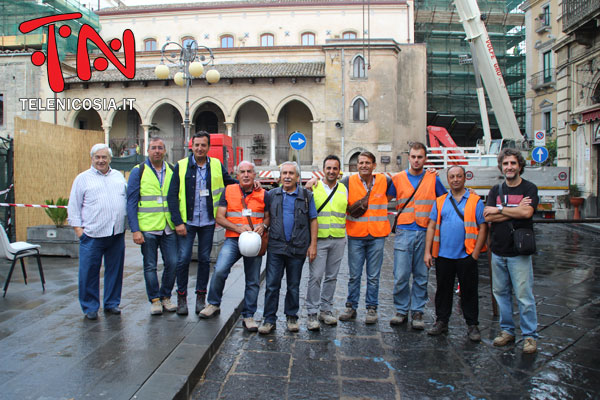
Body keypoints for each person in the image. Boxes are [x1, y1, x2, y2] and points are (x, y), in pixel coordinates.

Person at [167, 131, 237, 315]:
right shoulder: (181, 166)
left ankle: (200, 298)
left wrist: (248, 184)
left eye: (203, 145)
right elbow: (171, 196)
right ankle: (181, 297)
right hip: (187, 222)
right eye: (196, 145)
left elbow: (229, 182)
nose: (199, 148)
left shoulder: (215, 164)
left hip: (207, 221)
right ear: (192, 146)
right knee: (183, 260)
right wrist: (177, 222)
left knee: (205, 260)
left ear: (208, 147)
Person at [198, 161, 269, 332]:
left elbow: (268, 217)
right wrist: (237, 228)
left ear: (255, 175)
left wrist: (264, 226)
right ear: (237, 175)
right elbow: (220, 217)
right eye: (242, 172)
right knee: (220, 269)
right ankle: (213, 303)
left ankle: (249, 314)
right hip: (233, 239)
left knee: (253, 280)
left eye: (249, 172)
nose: (246, 175)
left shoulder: (264, 194)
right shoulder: (229, 191)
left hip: (254, 241)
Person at [484, 148, 539, 354]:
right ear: (501, 166)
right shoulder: (495, 190)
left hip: (520, 252)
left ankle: (530, 336)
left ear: (520, 166)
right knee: (501, 294)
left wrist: (499, 210)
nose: (509, 167)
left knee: (524, 296)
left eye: (513, 163)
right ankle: (507, 331)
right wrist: (515, 212)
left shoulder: (529, 188)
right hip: (498, 250)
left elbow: (527, 212)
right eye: (506, 163)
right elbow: (487, 217)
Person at [423, 165, 488, 341]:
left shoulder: (475, 201)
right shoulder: (440, 201)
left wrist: (475, 254)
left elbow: (483, 227)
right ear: (448, 179)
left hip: (466, 254)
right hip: (444, 254)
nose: (455, 180)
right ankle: (441, 321)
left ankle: (472, 324)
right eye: (452, 177)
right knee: (443, 290)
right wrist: (427, 252)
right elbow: (431, 225)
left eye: (459, 176)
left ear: (464, 178)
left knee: (469, 291)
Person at [390, 142, 447, 329]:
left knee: (422, 275)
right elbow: (381, 195)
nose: (416, 160)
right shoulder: (398, 178)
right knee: (401, 275)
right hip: (404, 231)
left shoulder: (433, 178)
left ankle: (417, 311)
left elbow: (444, 201)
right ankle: (401, 309)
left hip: (425, 232)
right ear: (409, 158)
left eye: (420, 157)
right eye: (413, 157)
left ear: (425, 159)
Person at [67, 143, 127, 320]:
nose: (101, 160)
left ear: (110, 158)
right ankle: (90, 307)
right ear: (92, 158)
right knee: (88, 272)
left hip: (116, 233)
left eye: (104, 157)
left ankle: (112, 303)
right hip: (92, 235)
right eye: (97, 157)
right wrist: (79, 231)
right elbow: (73, 206)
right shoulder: (82, 179)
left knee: (115, 272)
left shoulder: (118, 177)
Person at [258, 162, 318, 334]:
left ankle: (292, 317)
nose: (287, 176)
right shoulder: (271, 195)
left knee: (293, 285)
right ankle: (269, 319)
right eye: (284, 173)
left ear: (297, 177)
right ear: (279, 176)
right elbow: (265, 213)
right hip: (276, 247)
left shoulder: (306, 196)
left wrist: (312, 245)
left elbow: (313, 220)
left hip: (297, 247)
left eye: (291, 173)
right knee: (272, 285)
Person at [338, 151, 395, 325]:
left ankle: (372, 308)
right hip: (356, 235)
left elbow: (399, 187)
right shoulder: (348, 182)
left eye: (367, 163)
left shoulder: (385, 181)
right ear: (356, 166)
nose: (363, 165)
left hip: (377, 235)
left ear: (374, 165)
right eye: (360, 163)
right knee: (354, 275)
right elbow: (332, 189)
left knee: (373, 276)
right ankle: (351, 307)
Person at [127, 137, 178, 315]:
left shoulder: (172, 170)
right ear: (147, 151)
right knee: (150, 265)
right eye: (153, 148)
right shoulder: (138, 171)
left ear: (165, 151)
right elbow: (131, 201)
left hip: (168, 227)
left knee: (172, 263)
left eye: (160, 148)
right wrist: (135, 229)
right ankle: (155, 300)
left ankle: (166, 296)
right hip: (148, 228)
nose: (157, 151)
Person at [305, 155, 348, 331]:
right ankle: (312, 312)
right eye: (328, 168)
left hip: (338, 238)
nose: (331, 171)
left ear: (339, 171)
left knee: (332, 277)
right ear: (323, 169)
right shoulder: (313, 187)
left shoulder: (344, 189)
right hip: (319, 240)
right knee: (315, 277)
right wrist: (311, 243)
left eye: (335, 168)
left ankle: (326, 310)